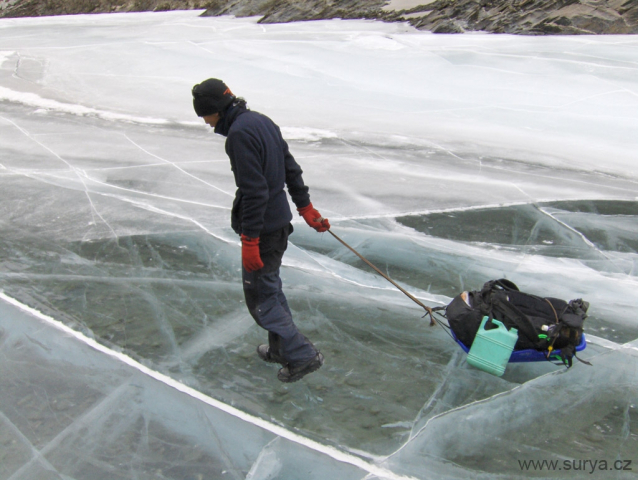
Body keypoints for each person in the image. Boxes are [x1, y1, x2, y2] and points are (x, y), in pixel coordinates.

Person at [192, 78, 330, 383]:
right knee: (270, 290)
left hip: (264, 230)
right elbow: (290, 167)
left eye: (204, 115)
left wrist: (250, 240)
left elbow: (254, 192)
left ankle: (302, 355)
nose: (204, 122)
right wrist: (305, 207)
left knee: (262, 300)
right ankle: (281, 349)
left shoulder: (239, 135)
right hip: (277, 225)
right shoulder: (261, 122)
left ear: (215, 109)